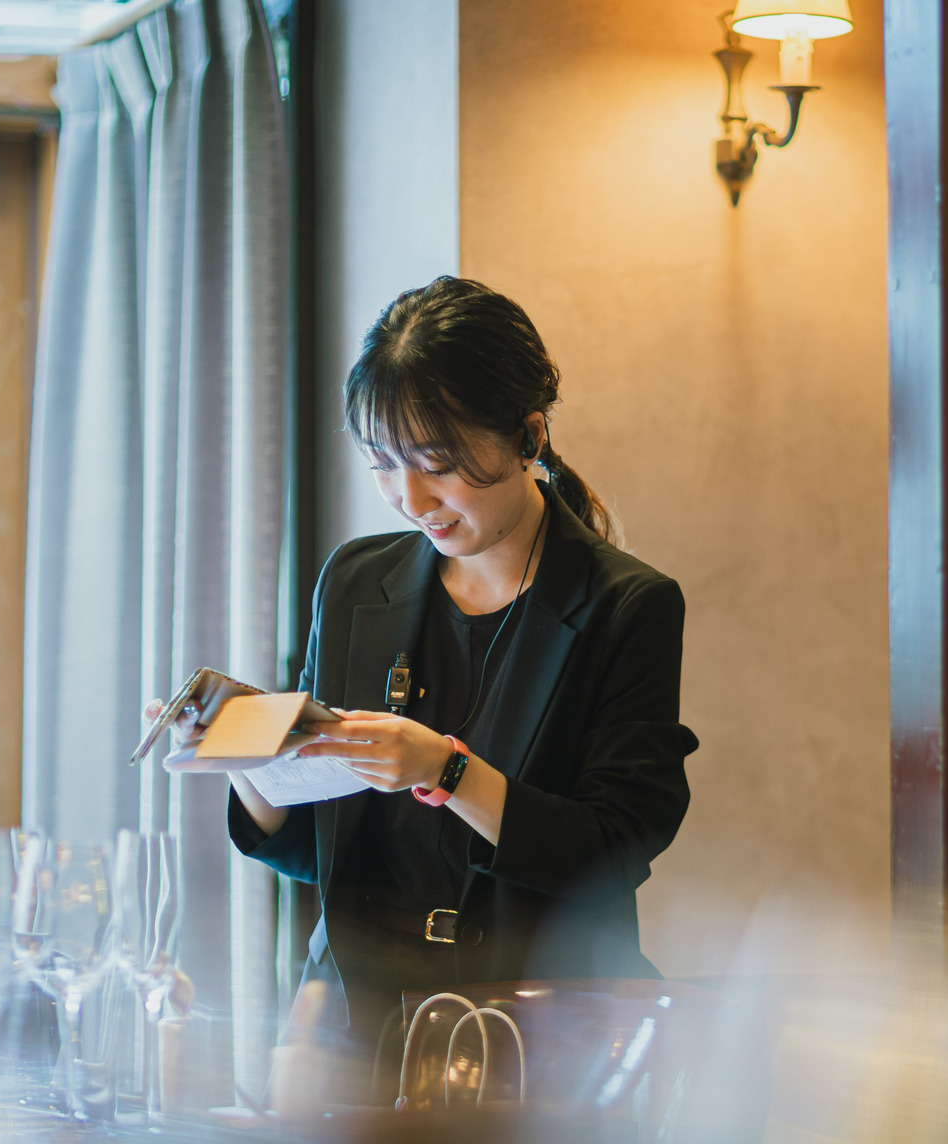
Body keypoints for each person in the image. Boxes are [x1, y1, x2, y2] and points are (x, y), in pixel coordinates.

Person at [202, 277, 697, 1074]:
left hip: (536, 1036)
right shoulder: (358, 581)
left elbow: (612, 847)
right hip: (354, 1027)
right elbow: (323, 850)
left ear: (529, 435)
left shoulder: (624, 604)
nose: (411, 498)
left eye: (437, 464)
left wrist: (447, 768)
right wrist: (248, 763)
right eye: (382, 465)